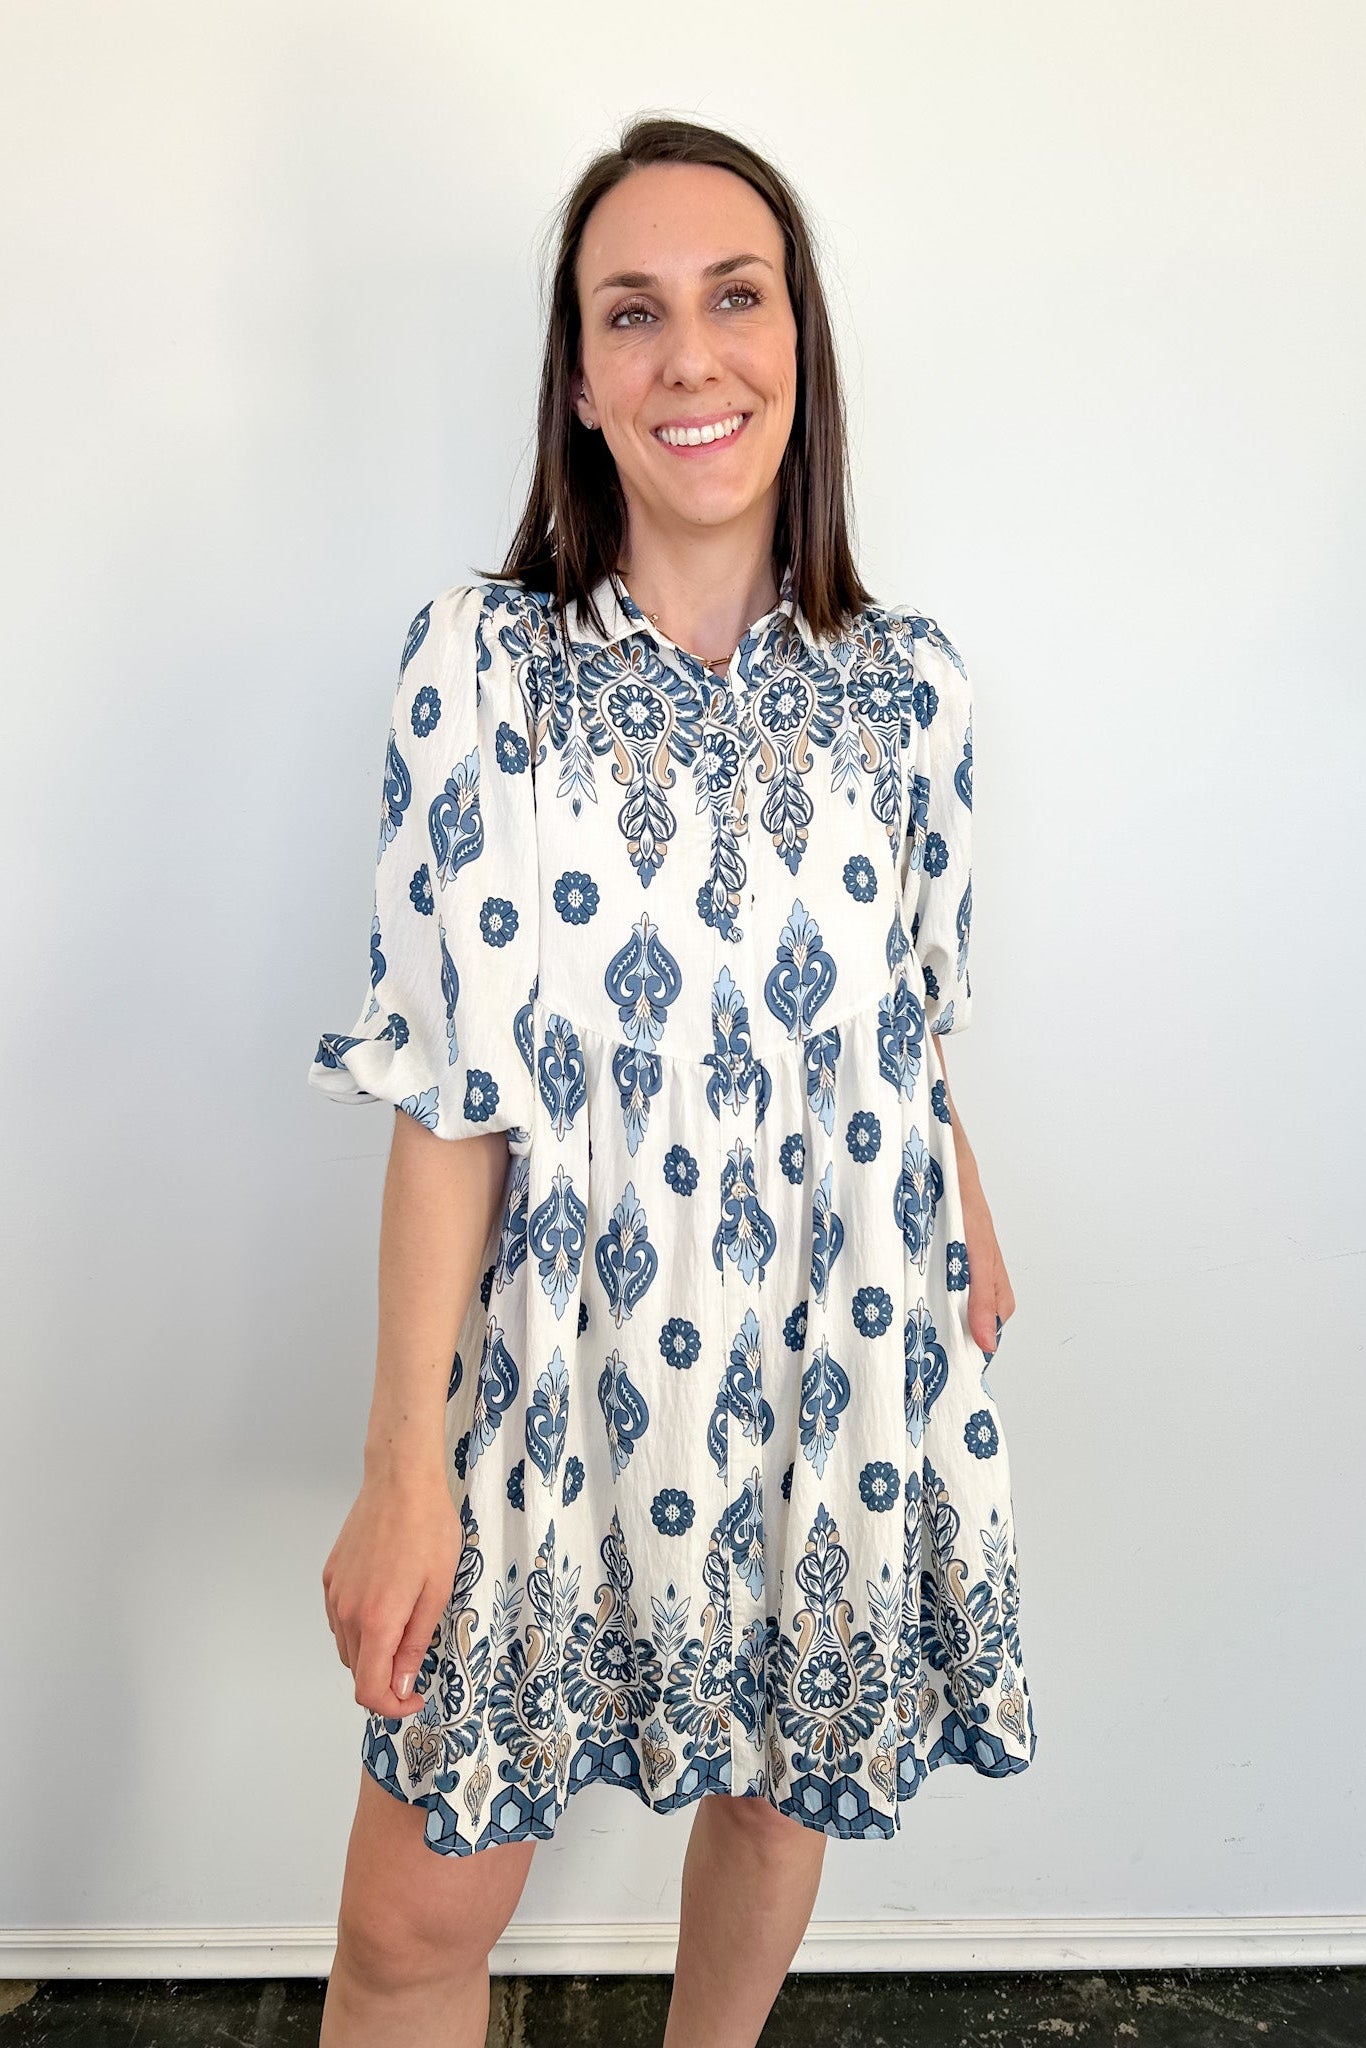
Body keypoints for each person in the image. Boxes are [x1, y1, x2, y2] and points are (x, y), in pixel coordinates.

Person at [306, 112, 1035, 2048]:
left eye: (733, 297)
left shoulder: (913, 689)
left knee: (775, 1797)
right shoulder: (483, 666)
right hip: (549, 1371)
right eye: (632, 313)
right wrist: (403, 1474)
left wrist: (957, 1203)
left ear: (795, 337)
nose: (688, 356)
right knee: (408, 1930)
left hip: (829, 1334)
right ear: (578, 376)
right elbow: (448, 1081)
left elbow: (908, 998)